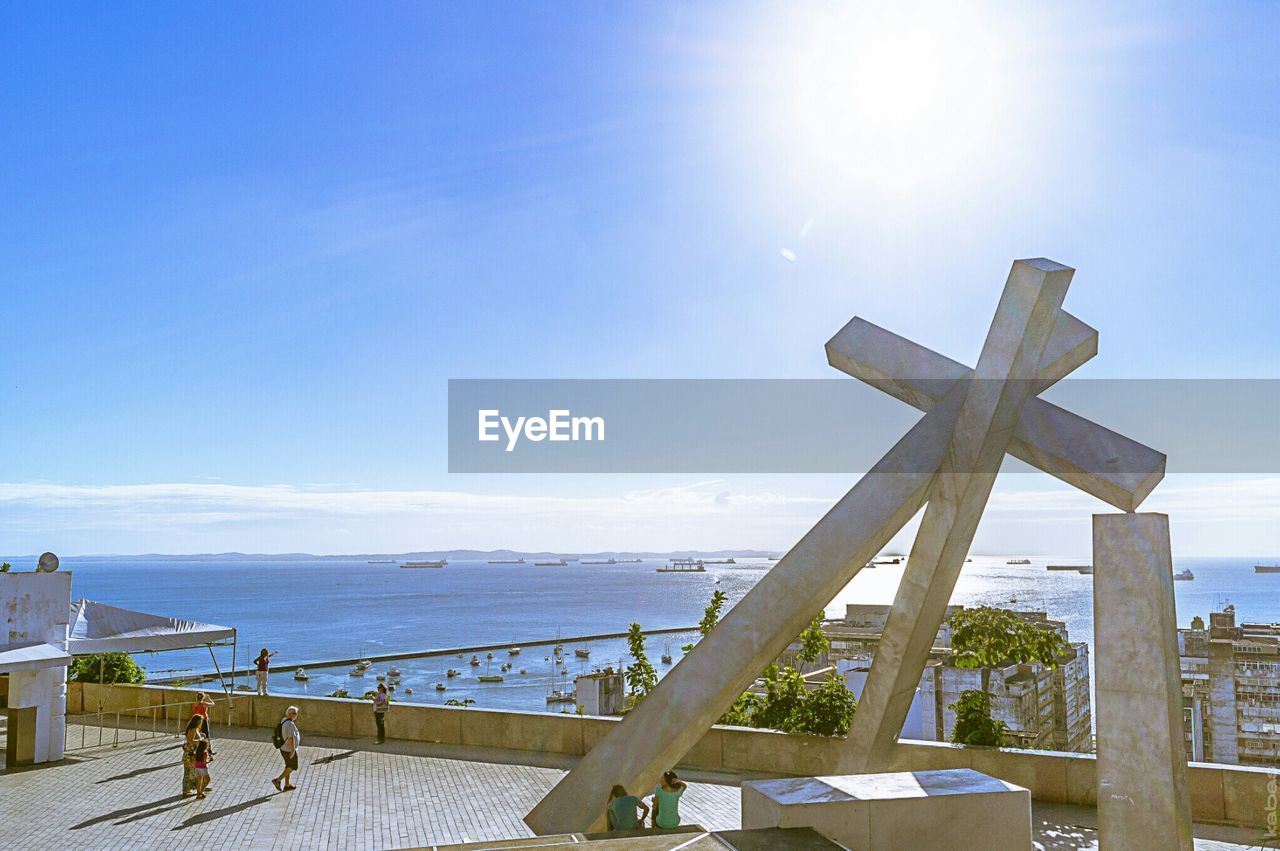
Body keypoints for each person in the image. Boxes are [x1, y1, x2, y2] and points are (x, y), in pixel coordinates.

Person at [272, 705, 301, 791]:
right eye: (295, 713)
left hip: (284, 748)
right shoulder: (289, 724)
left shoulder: (284, 720)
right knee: (293, 767)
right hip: (289, 749)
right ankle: (277, 780)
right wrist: (292, 751)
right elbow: (291, 738)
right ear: (289, 714)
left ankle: (287, 785)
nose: (296, 715)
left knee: (288, 766)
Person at [182, 715, 205, 797]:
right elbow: (190, 740)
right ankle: (186, 790)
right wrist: (200, 741)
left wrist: (201, 734)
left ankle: (194, 788)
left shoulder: (195, 729)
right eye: (200, 721)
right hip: (190, 754)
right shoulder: (193, 730)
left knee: (192, 771)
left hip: (191, 753)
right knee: (189, 772)